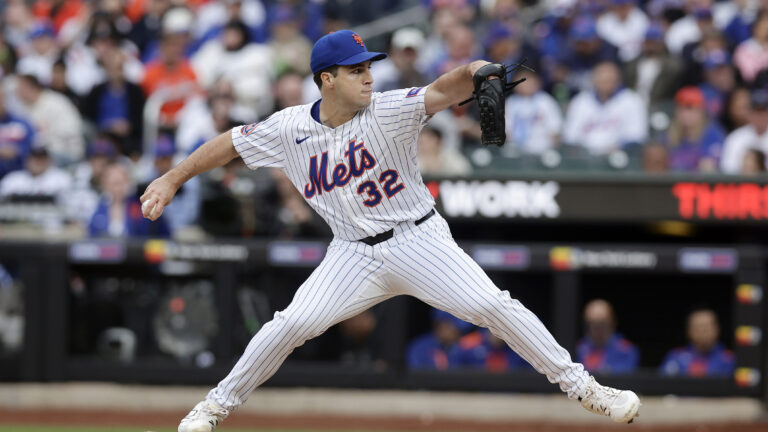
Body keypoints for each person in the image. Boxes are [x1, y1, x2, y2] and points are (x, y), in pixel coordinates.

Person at [139, 30, 641, 432]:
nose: (368, 77)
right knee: (288, 325)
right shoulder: (289, 128)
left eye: (369, 67)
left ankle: (585, 388)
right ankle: (212, 409)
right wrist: (170, 178)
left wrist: (476, 71)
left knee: (494, 306)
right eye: (356, 71)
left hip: (418, 238)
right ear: (326, 79)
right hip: (351, 254)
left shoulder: (389, 109)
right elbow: (227, 143)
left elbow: (447, 88)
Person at [660, 86, 726, 172]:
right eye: (682, 108)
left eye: (691, 108)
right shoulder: (669, 135)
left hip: (697, 184)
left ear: (701, 111)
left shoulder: (712, 134)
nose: (686, 114)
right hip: (671, 183)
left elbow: (709, 167)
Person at [660, 308, 735, 377]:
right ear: (688, 331)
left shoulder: (729, 359)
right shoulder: (676, 357)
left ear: (717, 329)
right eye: (698, 327)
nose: (703, 331)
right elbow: (664, 386)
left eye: (706, 327)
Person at [576, 299, 639, 375]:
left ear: (613, 322)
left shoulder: (626, 350)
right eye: (591, 323)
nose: (596, 328)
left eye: (601, 323)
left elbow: (624, 378)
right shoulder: (579, 348)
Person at [407, 308, 473, 370]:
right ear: (440, 325)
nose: (457, 333)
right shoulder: (420, 348)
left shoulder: (466, 347)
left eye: (460, 330)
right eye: (453, 327)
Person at [721, 89, 768, 173]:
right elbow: (728, 171)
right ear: (749, 114)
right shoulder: (736, 138)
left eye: (763, 112)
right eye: (756, 112)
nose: (760, 117)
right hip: (742, 185)